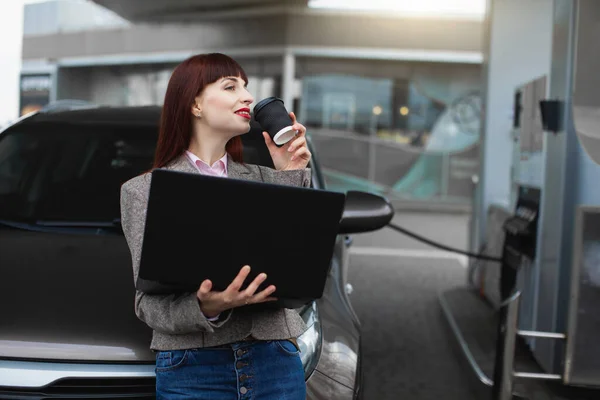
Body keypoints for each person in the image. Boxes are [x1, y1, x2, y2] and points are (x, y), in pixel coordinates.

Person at [120, 53, 312, 400]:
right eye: (230, 86)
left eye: (246, 87)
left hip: (274, 358)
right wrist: (209, 305)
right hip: (192, 367)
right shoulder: (142, 190)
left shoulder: (270, 180)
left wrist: (291, 171)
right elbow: (146, 305)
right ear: (194, 103)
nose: (248, 97)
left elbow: (298, 268)